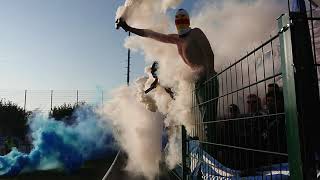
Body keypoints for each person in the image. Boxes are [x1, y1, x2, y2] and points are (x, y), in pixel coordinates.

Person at [116, 8, 219, 144]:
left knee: (208, 122)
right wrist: (129, 28)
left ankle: (210, 151)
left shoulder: (195, 32)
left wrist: (210, 75)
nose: (181, 21)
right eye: (178, 19)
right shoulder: (176, 39)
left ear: (188, 20)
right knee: (201, 119)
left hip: (207, 80)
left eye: (183, 18)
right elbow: (152, 34)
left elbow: (209, 53)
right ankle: (206, 149)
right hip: (198, 81)